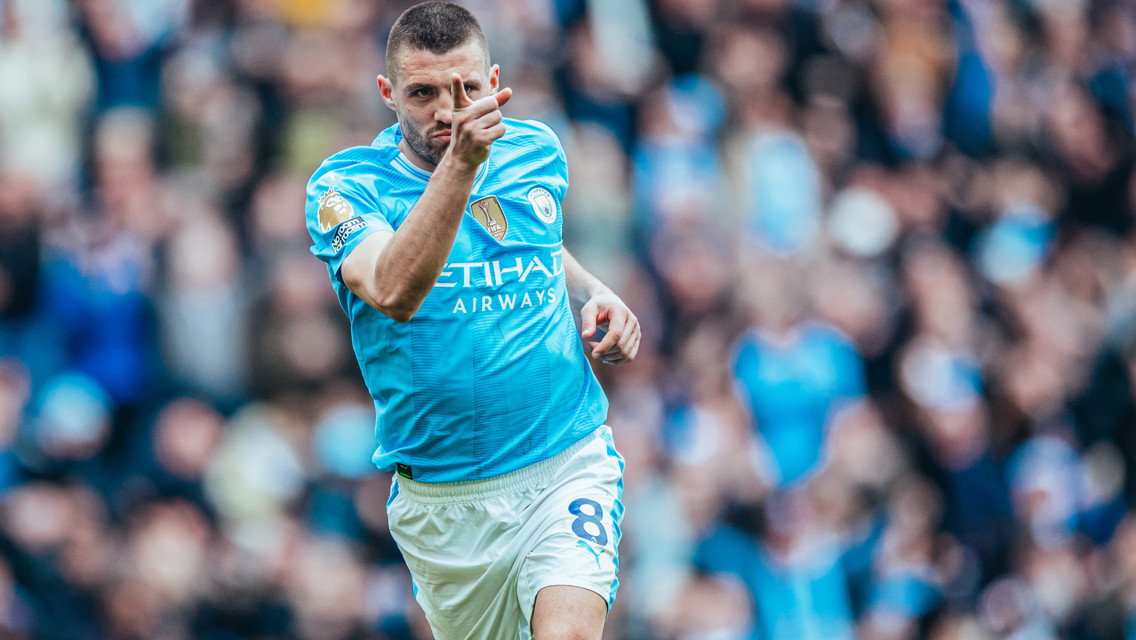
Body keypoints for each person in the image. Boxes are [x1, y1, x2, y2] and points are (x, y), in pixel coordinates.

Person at [303, 3, 640, 638]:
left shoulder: (536, 151)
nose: (446, 110)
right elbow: (392, 288)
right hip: (446, 502)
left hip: (566, 457)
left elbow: (536, 245)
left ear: (494, 81)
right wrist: (460, 163)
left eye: (466, 89)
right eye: (422, 92)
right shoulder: (346, 187)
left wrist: (596, 292)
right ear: (386, 93)